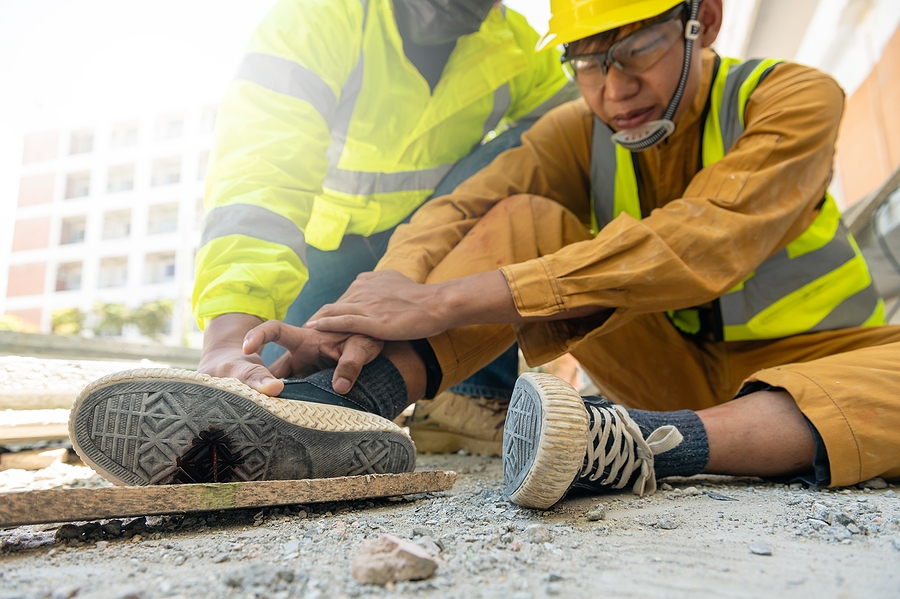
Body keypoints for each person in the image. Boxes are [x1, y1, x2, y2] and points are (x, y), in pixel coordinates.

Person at [72, 0, 900, 503]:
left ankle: (630, 442)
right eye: (587, 61)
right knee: (521, 214)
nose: (612, 89)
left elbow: (703, 241)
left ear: (702, 22)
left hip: (826, 362)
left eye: (634, 51)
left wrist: (442, 301)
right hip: (658, 354)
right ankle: (336, 413)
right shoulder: (578, 124)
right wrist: (382, 294)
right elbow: (470, 202)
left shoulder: (791, 98)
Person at [192, 0, 580, 458]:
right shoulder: (319, 19)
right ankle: (339, 404)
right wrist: (229, 335)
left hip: (435, 248)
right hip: (331, 259)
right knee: (311, 381)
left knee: (543, 143)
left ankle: (470, 398)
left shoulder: (514, 45)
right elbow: (261, 169)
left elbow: (587, 132)